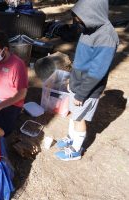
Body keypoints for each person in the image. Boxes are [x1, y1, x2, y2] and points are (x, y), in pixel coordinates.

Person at [55, 0, 119, 161]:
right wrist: (72, 80)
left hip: (87, 89)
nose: (77, 22)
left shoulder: (107, 37)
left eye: (79, 19)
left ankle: (76, 149)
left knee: (79, 118)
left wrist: (81, 94)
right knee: (73, 114)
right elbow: (82, 60)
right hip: (77, 84)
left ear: (93, 14)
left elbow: (97, 72)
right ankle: (71, 137)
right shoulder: (88, 28)